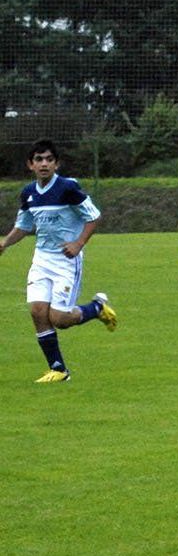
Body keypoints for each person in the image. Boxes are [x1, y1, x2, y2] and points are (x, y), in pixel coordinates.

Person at [0, 140, 117, 383]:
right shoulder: (28, 193)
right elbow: (23, 226)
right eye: (39, 159)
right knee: (37, 310)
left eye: (49, 159)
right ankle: (59, 370)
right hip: (42, 259)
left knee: (60, 319)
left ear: (56, 164)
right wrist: (4, 243)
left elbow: (94, 216)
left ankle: (96, 308)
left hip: (66, 260)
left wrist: (78, 244)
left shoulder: (67, 188)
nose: (44, 164)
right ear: (30, 164)